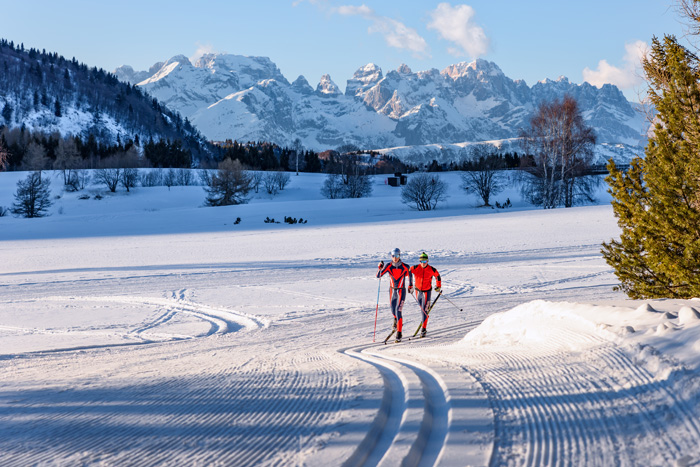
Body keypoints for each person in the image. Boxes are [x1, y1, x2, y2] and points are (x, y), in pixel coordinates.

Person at [377, 247, 412, 342]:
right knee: (393, 311)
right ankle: (396, 321)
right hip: (392, 291)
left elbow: (410, 275)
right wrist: (379, 268)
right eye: (393, 256)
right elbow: (378, 276)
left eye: (397, 256)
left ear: (399, 256)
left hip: (401, 291)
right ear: (391, 256)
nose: (395, 258)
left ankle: (399, 333)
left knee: (398, 310)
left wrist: (410, 286)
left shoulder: (405, 266)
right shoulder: (389, 266)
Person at [408, 252, 441, 338]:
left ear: (427, 261)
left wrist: (438, 286)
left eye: (425, 261)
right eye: (421, 261)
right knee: (421, 307)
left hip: (427, 291)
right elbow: (408, 271)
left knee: (424, 311)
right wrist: (410, 284)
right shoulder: (415, 268)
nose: (423, 263)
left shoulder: (431, 269)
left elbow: (437, 276)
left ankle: (424, 329)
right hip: (418, 291)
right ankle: (424, 316)